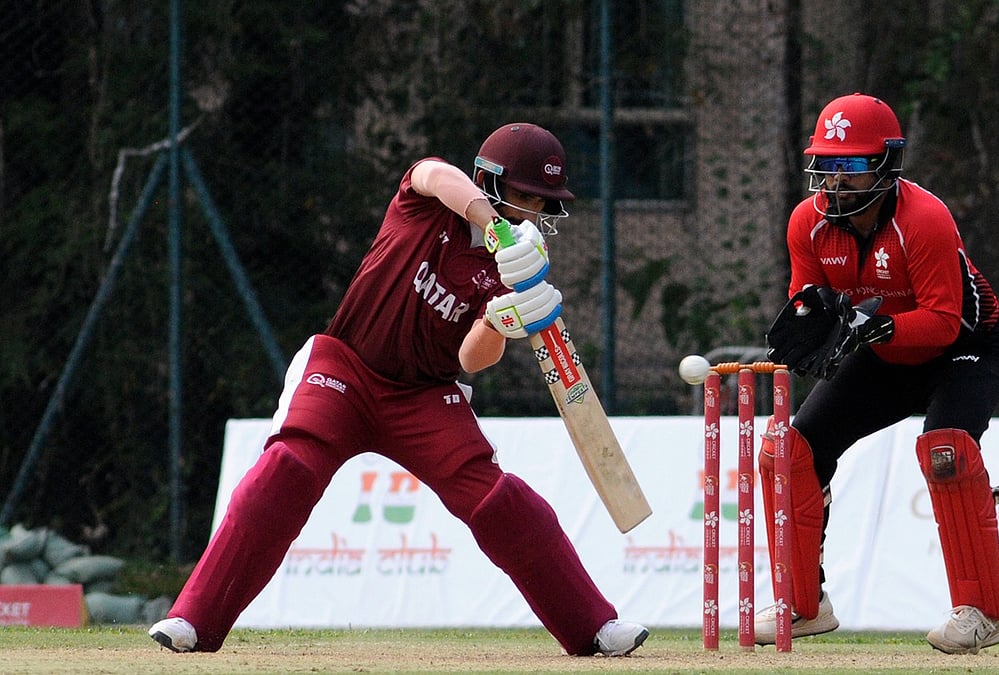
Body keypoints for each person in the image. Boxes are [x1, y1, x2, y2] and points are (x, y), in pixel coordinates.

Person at [148, 122, 649, 657]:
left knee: (499, 500)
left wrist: (500, 321)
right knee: (286, 472)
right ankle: (194, 621)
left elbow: (469, 359)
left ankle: (592, 628)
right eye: (526, 196)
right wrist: (494, 224)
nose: (533, 213)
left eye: (544, 203)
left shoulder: (512, 269)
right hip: (346, 369)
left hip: (424, 394)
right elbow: (432, 173)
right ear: (490, 181)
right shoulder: (428, 204)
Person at [757, 93, 999, 654]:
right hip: (883, 350)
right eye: (826, 165)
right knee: (790, 451)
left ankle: (981, 613)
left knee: (945, 449)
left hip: (967, 347)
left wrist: (875, 330)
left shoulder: (924, 219)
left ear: (885, 165)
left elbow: (946, 323)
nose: (834, 182)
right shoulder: (808, 222)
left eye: (849, 166)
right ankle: (804, 604)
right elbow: (806, 298)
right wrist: (813, 323)